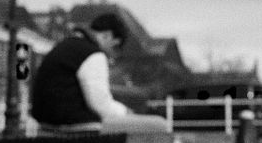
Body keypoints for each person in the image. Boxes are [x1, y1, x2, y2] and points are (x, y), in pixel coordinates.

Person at [30, 12, 173, 136]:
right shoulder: (92, 54)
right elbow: (100, 105)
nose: (112, 55)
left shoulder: (65, 46)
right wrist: (126, 112)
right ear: (107, 36)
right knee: (158, 125)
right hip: (73, 126)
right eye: (115, 47)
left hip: (47, 122)